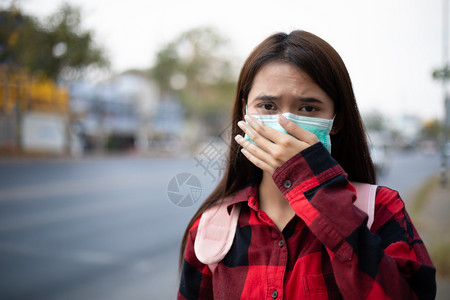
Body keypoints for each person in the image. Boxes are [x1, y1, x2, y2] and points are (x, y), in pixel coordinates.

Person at [178, 30, 436, 299]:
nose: (284, 124)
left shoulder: (381, 210)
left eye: (308, 109)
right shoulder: (211, 226)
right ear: (245, 111)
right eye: (267, 106)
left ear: (336, 120)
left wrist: (310, 181)